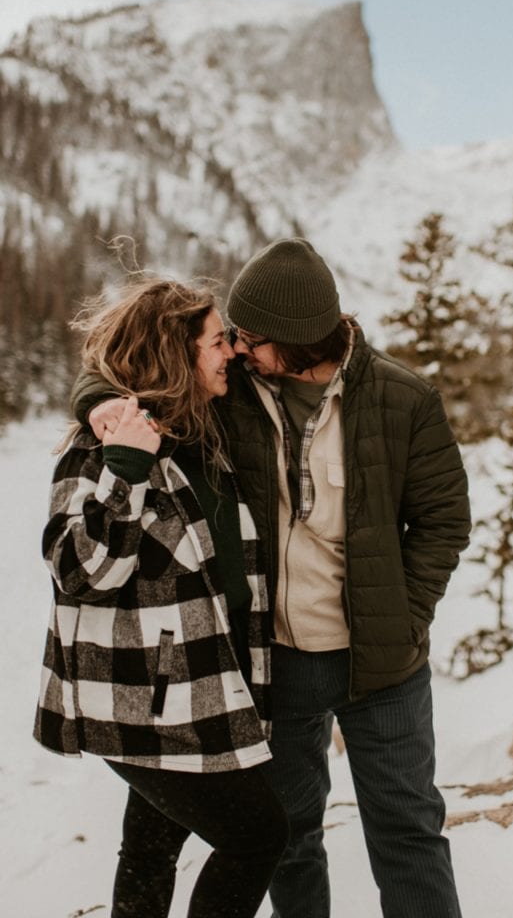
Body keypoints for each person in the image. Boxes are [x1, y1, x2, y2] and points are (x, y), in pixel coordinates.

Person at [75, 240, 471, 918]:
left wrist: (403, 618)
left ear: (296, 341)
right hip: (273, 666)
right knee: (289, 839)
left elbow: (443, 521)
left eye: (250, 338)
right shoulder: (228, 397)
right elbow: (138, 368)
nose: (234, 348)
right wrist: (96, 402)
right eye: (231, 336)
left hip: (383, 668)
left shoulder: (404, 400)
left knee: (407, 833)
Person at [35, 277, 288, 918]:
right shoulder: (104, 452)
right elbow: (80, 570)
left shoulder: (198, 435)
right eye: (214, 341)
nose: (229, 350)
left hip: (195, 687)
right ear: (176, 356)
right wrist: (125, 471)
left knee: (150, 847)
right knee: (257, 837)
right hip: (149, 699)